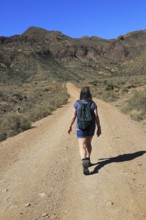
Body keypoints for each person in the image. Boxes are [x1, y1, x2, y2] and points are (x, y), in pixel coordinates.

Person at [68, 86, 101, 175]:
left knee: (82, 145)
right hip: (91, 127)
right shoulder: (93, 104)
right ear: (89, 94)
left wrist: (70, 125)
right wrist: (99, 127)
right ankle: (88, 159)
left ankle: (84, 160)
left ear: (81, 94)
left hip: (80, 127)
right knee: (88, 144)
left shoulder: (77, 103)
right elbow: (96, 117)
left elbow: (73, 116)